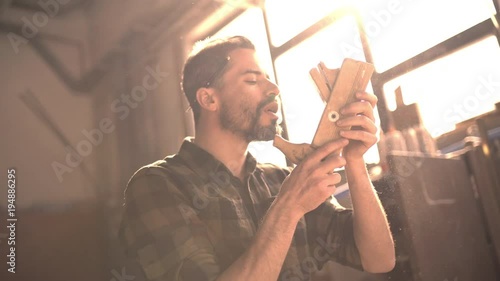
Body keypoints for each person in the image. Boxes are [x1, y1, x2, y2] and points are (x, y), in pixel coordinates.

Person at [118, 35, 395, 281]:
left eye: (267, 77)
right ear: (208, 99)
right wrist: (288, 208)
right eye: (252, 80)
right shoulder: (157, 186)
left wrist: (354, 159)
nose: (274, 88)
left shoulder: (281, 179)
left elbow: (379, 260)